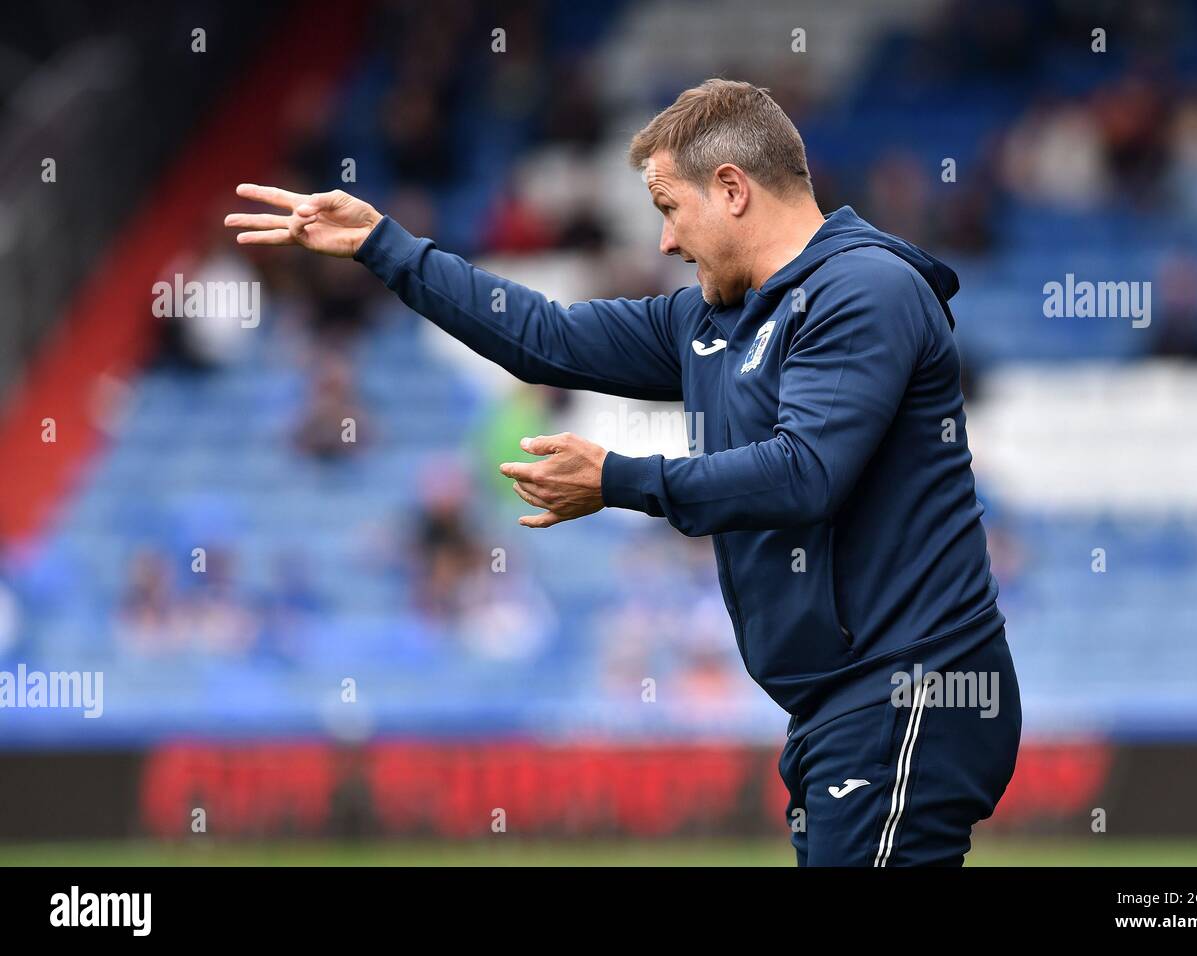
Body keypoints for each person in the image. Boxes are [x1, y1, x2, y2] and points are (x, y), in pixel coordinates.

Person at [225, 78, 1020, 867]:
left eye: (670, 209)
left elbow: (804, 472)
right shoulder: (713, 319)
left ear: (733, 190)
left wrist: (617, 479)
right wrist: (383, 246)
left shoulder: (864, 289)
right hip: (837, 703)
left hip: (912, 688)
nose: (666, 242)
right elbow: (546, 338)